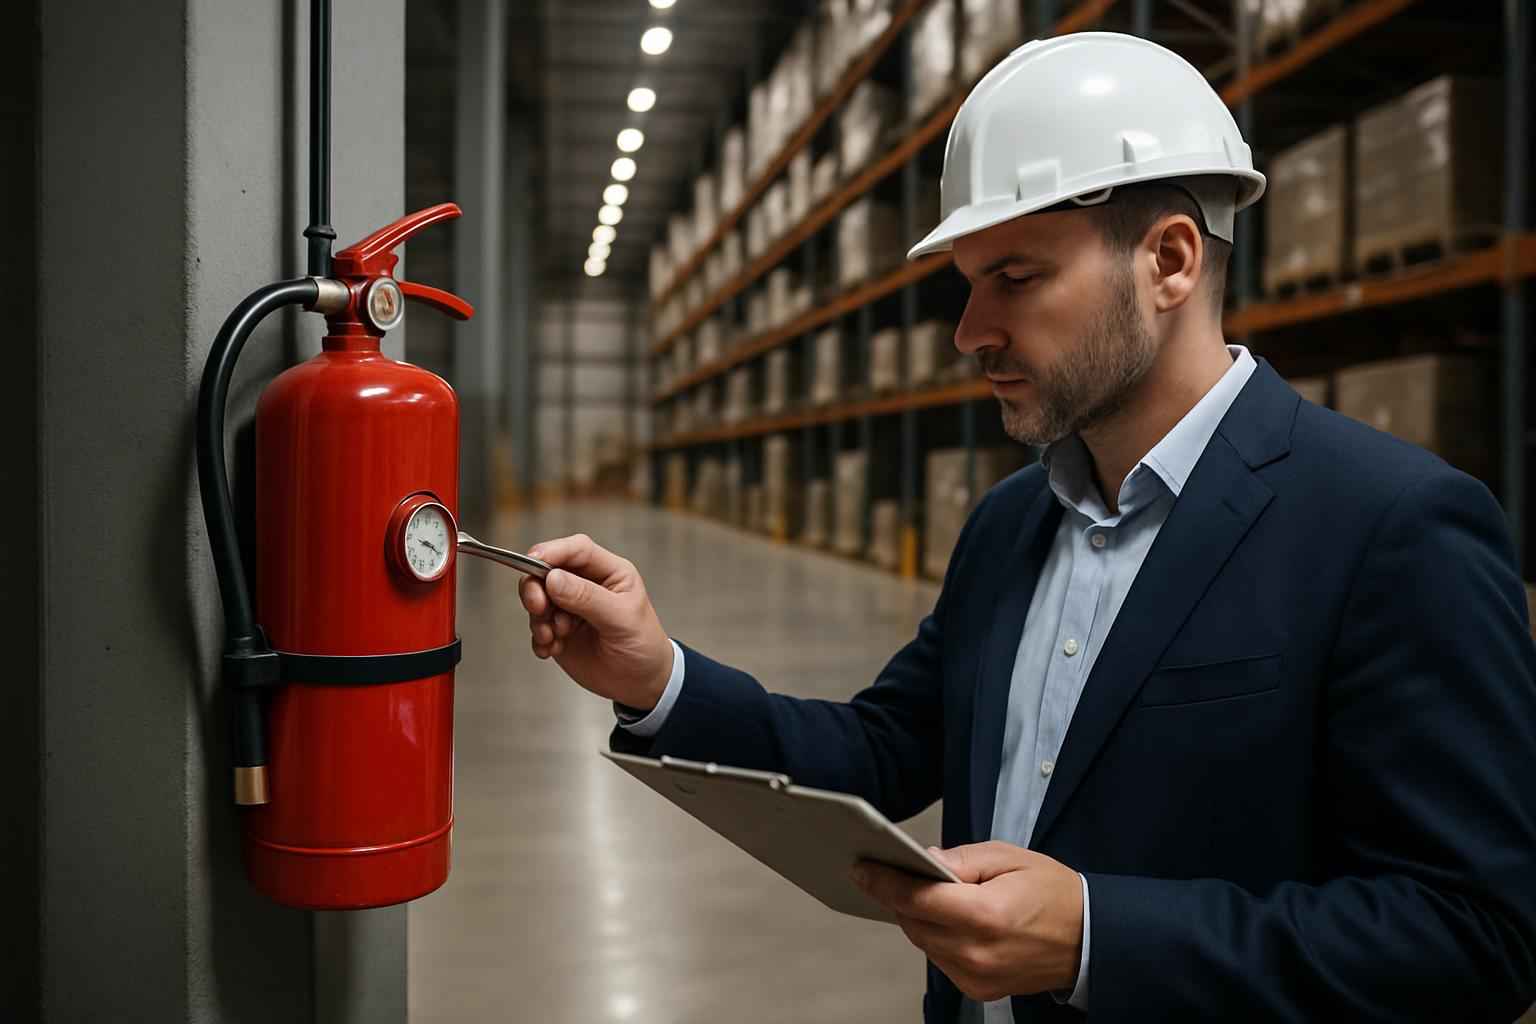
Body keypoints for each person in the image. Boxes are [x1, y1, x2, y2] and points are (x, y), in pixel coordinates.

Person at [518, 32, 1536, 1023]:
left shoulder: (1392, 528)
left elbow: (1475, 934)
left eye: (1017, 277)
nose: (970, 333)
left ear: (1170, 261)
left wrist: (1100, 937)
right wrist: (657, 679)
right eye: (969, 284)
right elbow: (883, 751)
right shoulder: (1014, 521)